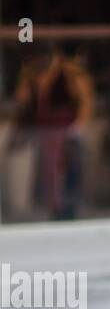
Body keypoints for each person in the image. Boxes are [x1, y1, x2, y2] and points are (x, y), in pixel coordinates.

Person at [10, 44, 94, 220]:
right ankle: (51, 207)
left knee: (70, 168)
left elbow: (84, 99)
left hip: (67, 129)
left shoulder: (69, 73)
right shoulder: (33, 75)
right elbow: (24, 100)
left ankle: (70, 207)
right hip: (45, 130)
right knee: (48, 171)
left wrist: (78, 126)